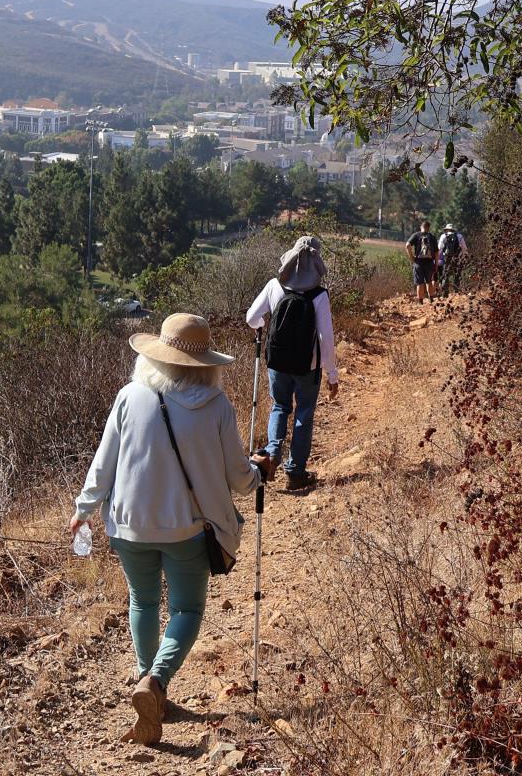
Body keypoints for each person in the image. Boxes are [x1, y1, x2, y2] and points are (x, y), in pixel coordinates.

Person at [71, 313, 274, 745]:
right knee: (186, 611)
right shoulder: (216, 406)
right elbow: (239, 478)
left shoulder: (130, 396)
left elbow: (104, 462)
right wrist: (259, 472)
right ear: (206, 364)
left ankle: (147, 683)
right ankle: (156, 683)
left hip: (128, 525)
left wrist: (83, 508)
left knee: (143, 600)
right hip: (186, 529)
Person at [244, 235, 339, 493]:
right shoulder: (319, 295)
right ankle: (295, 473)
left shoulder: (274, 286)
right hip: (308, 366)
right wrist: (332, 374)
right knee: (304, 414)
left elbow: (252, 318)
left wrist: (263, 325)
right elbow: (326, 338)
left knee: (280, 406)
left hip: (277, 361)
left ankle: (272, 454)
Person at [406, 218, 440, 301]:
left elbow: (407, 245)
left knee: (419, 283)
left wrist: (412, 257)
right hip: (429, 262)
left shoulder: (416, 235)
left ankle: (420, 301)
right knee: (429, 281)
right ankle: (431, 299)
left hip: (418, 262)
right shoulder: (432, 237)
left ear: (421, 227)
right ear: (428, 228)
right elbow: (436, 252)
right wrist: (436, 264)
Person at [437, 223, 468, 296]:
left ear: (447, 229)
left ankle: (445, 292)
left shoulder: (443, 236)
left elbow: (439, 248)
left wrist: (437, 257)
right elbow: (464, 248)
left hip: (447, 257)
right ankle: (456, 291)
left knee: (446, 273)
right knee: (457, 273)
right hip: (456, 257)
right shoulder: (459, 236)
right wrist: (465, 255)